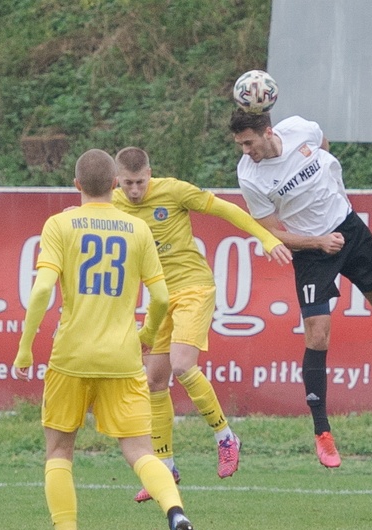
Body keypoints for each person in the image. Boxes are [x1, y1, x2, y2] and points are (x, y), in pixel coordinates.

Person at [12, 149, 205, 530]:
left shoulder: (60, 224)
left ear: (77, 185)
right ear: (116, 184)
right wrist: (147, 336)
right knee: (140, 451)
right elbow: (160, 298)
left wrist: (26, 346)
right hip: (122, 359)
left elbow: (43, 291)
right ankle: (176, 513)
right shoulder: (137, 229)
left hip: (71, 358)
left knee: (59, 450)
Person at [229, 109, 372, 469]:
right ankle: (322, 432)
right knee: (318, 334)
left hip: (349, 230)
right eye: (239, 145)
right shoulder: (250, 175)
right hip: (312, 250)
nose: (245, 151)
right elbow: (269, 231)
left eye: (249, 142)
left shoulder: (300, 129)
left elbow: (324, 147)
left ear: (267, 132)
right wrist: (316, 241)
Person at [112, 147, 292, 503]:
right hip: (159, 297)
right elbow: (91, 217)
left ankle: (225, 437)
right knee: (154, 380)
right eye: (128, 183)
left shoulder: (174, 190)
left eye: (141, 182)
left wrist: (267, 237)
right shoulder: (114, 203)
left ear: (151, 173)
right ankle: (165, 467)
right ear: (118, 180)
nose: (135, 190)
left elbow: (224, 208)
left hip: (194, 287)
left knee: (181, 365)